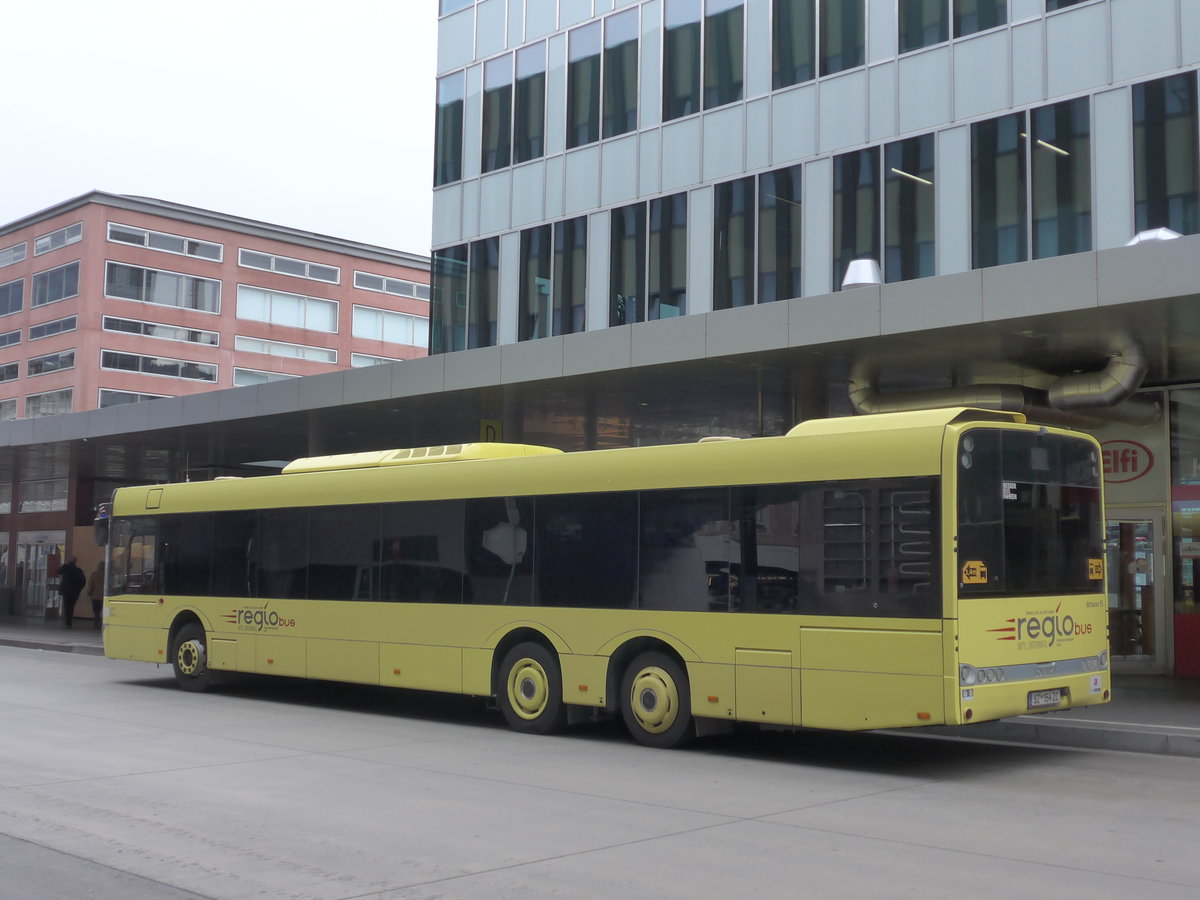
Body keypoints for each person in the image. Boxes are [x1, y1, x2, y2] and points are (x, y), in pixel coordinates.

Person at [58, 556, 86, 629]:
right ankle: (69, 621)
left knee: (67, 607)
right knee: (71, 607)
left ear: (68, 561)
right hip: (75, 592)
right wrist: (78, 589)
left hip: (66, 591)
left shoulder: (65, 568)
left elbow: (57, 571)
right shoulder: (79, 570)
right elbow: (83, 581)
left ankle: (68, 622)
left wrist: (64, 564)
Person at [86, 560, 105, 629]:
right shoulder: (107, 575)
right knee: (102, 610)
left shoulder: (94, 574)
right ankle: (102, 622)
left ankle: (97, 622)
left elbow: (90, 584)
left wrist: (89, 592)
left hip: (95, 596)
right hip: (104, 596)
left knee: (96, 610)